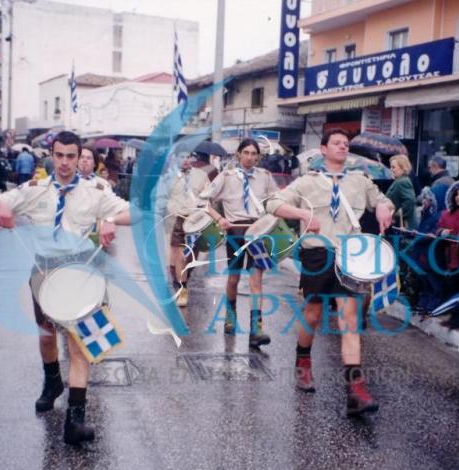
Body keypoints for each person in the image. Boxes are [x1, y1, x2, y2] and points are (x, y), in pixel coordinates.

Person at [0, 131, 131, 445]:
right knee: (47, 334)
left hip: (81, 273)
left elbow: (137, 213)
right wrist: (1, 207)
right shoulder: (35, 189)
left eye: (71, 156)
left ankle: (75, 419)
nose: (64, 163)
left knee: (80, 346)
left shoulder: (96, 190)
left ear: (80, 158)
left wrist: (112, 220)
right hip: (44, 272)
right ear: (51, 154)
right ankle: (52, 382)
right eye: (59, 155)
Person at [266, 128, 395, 416]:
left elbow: (382, 200)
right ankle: (302, 362)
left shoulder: (360, 180)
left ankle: (356, 391)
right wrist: (302, 215)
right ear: (323, 149)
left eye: (346, 144)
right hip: (317, 253)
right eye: (336, 143)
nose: (342, 146)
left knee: (349, 319)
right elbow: (272, 204)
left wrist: (385, 207)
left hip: (350, 255)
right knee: (312, 314)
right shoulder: (306, 182)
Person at [205, 138, 280, 347]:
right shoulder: (226, 177)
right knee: (234, 278)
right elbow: (204, 202)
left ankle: (256, 328)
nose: (250, 157)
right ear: (238, 154)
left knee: (256, 280)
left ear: (258, 156)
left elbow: (276, 201)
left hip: (258, 230)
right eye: (246, 153)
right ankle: (230, 315)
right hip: (235, 231)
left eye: (254, 154)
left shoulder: (265, 177)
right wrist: (220, 219)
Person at [166, 152, 211, 307]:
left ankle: (182, 277)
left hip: (196, 220)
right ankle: (182, 289)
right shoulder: (168, 177)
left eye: (187, 157)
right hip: (177, 218)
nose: (184, 160)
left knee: (192, 256)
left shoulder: (201, 175)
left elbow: (208, 196)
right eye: (181, 157)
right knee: (180, 254)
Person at [385, 154, 417, 229]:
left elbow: (410, 201)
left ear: (403, 168)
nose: (391, 169)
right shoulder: (399, 180)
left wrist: (396, 216)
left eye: (393, 167)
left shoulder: (403, 181)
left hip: (402, 226)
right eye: (391, 167)